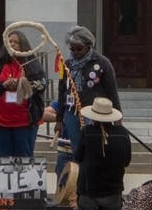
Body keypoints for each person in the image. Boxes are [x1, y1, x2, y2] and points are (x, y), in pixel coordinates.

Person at [43, 27, 121, 179]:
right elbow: (61, 92)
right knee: (76, 148)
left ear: (88, 46)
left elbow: (112, 91)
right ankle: (76, 181)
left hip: (93, 113)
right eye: (72, 49)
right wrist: (59, 119)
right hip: (71, 113)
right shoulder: (67, 64)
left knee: (91, 148)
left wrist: (118, 116)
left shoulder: (102, 63)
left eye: (78, 49)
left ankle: (91, 178)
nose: (75, 52)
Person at [0, 30, 47, 158]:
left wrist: (21, 85)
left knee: (24, 162)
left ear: (23, 45)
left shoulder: (32, 64)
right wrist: (2, 86)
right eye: (10, 42)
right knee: (3, 161)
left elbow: (42, 84)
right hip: (1, 124)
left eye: (16, 42)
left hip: (25, 124)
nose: (13, 44)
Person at [71, 97, 132, 210]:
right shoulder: (123, 133)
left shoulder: (87, 132)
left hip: (88, 190)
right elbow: (126, 161)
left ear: (93, 116)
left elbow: (78, 157)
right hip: (113, 190)